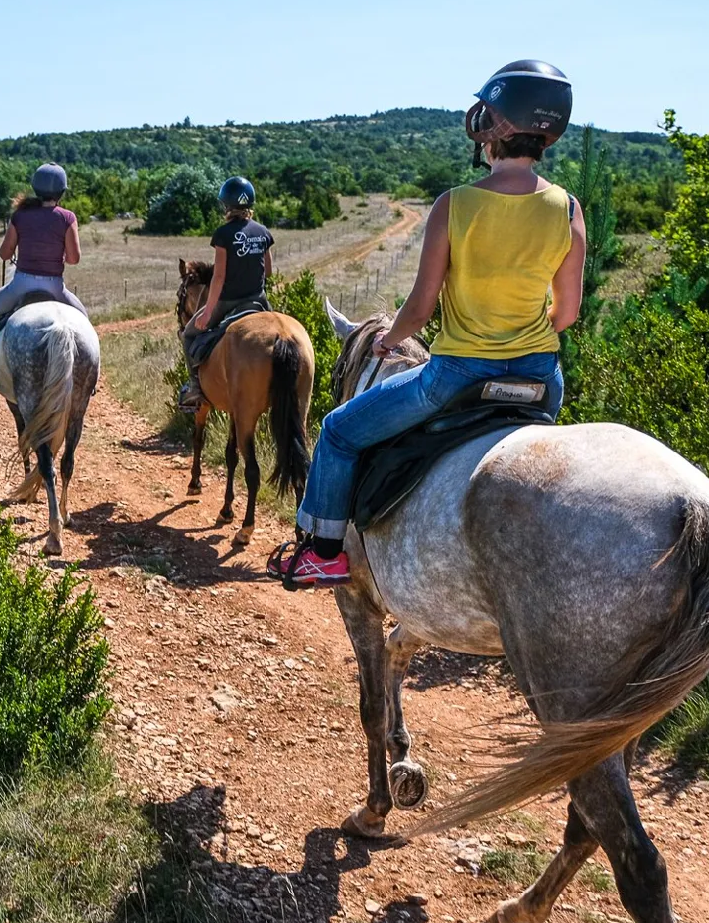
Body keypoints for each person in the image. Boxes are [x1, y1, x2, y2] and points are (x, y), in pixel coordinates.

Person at [268, 60, 587, 586]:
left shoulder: (453, 205)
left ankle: (323, 551)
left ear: (498, 129)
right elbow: (567, 313)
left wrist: (386, 343)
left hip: (457, 376)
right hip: (540, 383)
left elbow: (419, 309)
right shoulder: (568, 209)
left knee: (339, 431)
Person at [0, 164, 87, 389]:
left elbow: (4, 254)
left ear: (35, 189)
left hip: (21, 285)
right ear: (62, 192)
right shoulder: (68, 217)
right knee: (84, 320)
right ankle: (90, 377)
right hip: (55, 288)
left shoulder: (20, 216)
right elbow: (74, 259)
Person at [177, 176, 274, 412]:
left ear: (226, 205)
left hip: (229, 302)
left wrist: (208, 311)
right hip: (259, 301)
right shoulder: (263, 232)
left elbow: (218, 278)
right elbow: (269, 271)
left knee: (189, 335)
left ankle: (195, 388)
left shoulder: (223, 234)